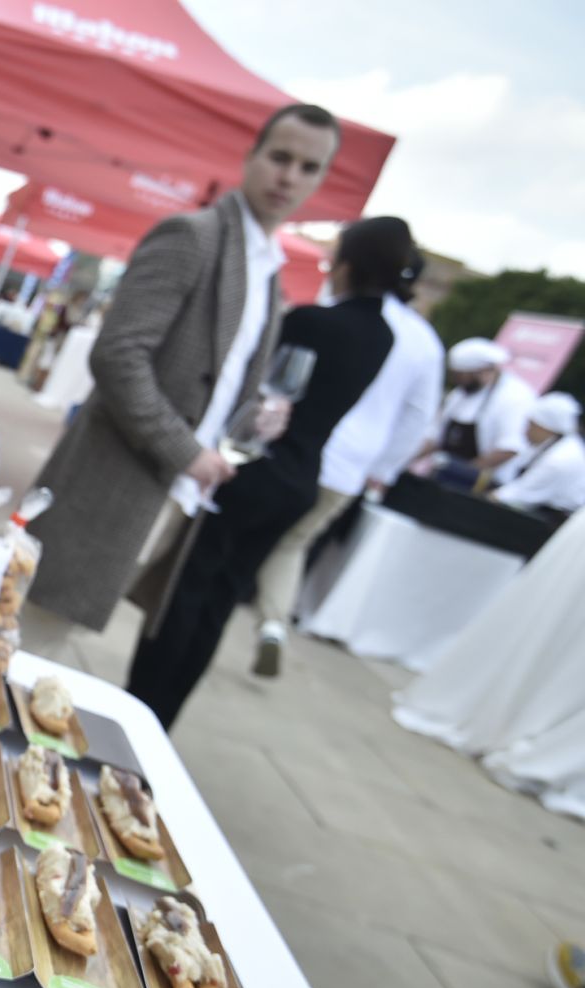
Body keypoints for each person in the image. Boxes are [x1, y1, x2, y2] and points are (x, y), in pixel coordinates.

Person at [26, 104, 341, 633]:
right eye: (280, 157)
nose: (290, 177)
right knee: (29, 648)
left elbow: (223, 376)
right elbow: (118, 353)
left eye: (309, 168)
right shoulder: (192, 236)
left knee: (52, 657)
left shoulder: (269, 271)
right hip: (113, 486)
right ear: (251, 156)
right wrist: (186, 450)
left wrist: (256, 413)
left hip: (175, 495)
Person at [126, 218, 415, 727]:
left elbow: (263, 396)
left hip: (254, 472)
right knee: (218, 604)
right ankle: (162, 719)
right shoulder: (383, 336)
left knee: (186, 592)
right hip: (303, 477)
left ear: (346, 263)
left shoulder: (313, 322)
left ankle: (141, 706)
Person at [250, 250, 444, 676]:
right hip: (349, 466)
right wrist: (382, 468)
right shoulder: (423, 341)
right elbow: (418, 417)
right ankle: (272, 623)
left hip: (295, 447)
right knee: (291, 545)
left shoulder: (347, 314)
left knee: (246, 537)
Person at [412, 337, 537, 489]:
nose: (456, 381)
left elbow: (509, 448)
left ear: (481, 372)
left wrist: (462, 472)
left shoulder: (515, 396)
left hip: (485, 484)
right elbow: (435, 437)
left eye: (461, 376)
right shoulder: (458, 395)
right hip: (445, 477)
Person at [493, 393, 585, 516]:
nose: (525, 430)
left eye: (531, 425)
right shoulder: (553, 444)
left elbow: (519, 496)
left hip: (555, 520)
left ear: (545, 427)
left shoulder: (562, 459)